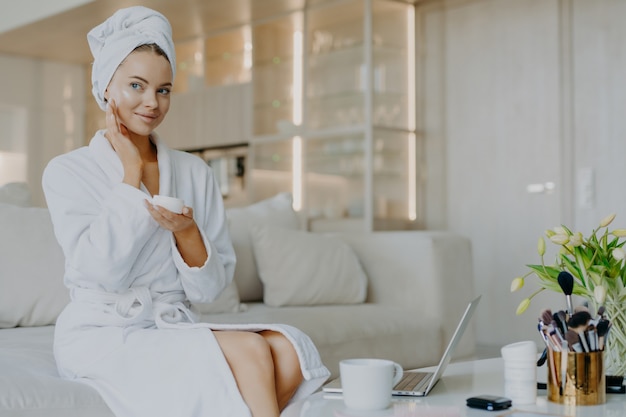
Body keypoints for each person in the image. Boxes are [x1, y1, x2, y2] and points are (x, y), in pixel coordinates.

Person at [42, 6, 329, 417]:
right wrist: (129, 174)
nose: (152, 103)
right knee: (251, 348)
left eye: (163, 89)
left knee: (288, 350)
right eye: (136, 85)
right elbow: (98, 272)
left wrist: (188, 232)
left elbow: (208, 291)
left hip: (171, 323)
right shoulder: (68, 171)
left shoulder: (195, 172)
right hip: (104, 334)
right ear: (107, 87)